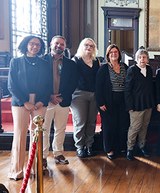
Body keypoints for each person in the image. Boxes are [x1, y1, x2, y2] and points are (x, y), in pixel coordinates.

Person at [8, 36, 52, 180]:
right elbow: (12, 85)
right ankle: (17, 171)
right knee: (20, 134)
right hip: (20, 102)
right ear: (26, 45)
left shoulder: (45, 63)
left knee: (37, 134)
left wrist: (41, 101)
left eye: (38, 45)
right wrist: (24, 102)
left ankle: (35, 169)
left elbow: (48, 85)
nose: (35, 47)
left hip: (40, 101)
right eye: (32, 44)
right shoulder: (16, 62)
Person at [42, 35, 79, 167]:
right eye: (57, 43)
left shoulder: (71, 64)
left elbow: (73, 82)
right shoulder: (42, 61)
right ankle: (43, 156)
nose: (59, 46)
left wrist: (62, 96)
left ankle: (58, 153)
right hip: (46, 101)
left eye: (62, 44)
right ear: (51, 44)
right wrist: (49, 96)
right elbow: (39, 82)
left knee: (60, 128)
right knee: (44, 129)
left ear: (65, 47)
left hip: (63, 100)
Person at [96, 44, 129, 160]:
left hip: (123, 100)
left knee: (121, 125)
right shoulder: (104, 68)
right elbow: (98, 87)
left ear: (119, 54)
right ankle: (109, 150)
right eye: (111, 52)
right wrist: (100, 102)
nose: (114, 54)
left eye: (116, 52)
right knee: (109, 126)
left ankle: (119, 148)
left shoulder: (124, 66)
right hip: (108, 101)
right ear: (108, 55)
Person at [70, 38, 100, 158]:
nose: (89, 47)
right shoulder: (76, 60)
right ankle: (79, 147)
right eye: (86, 45)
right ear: (82, 46)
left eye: (91, 46)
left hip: (94, 95)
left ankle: (89, 146)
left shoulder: (96, 61)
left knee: (91, 122)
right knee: (80, 121)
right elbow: (71, 79)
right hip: (79, 95)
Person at [125, 48, 155, 160]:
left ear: (147, 59)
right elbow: (127, 89)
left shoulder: (149, 69)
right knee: (135, 127)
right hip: (136, 105)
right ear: (137, 59)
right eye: (140, 57)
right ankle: (130, 149)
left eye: (144, 57)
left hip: (148, 103)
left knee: (144, 127)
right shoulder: (132, 70)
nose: (142, 59)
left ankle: (142, 146)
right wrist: (129, 106)